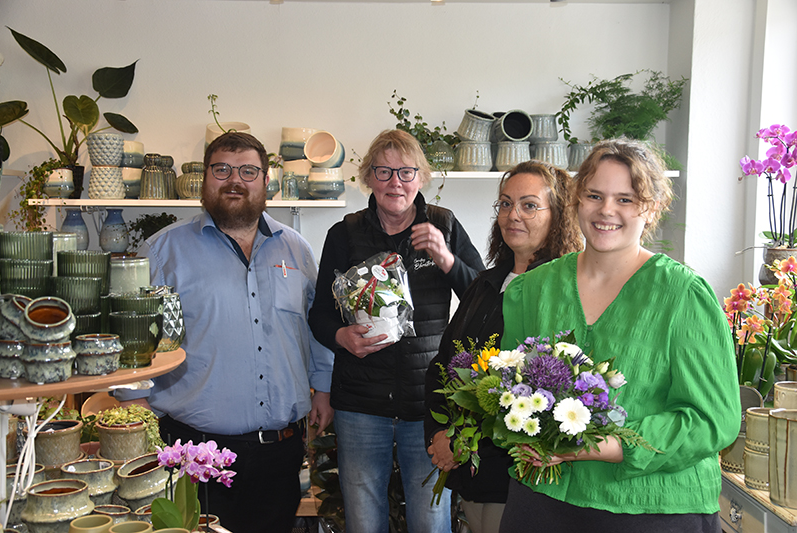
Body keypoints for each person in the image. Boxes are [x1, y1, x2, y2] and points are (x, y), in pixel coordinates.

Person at [498, 139, 741, 533]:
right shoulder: (534, 289)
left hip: (653, 509)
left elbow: (712, 421)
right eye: (594, 195)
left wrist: (595, 447)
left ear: (651, 207)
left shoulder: (683, 297)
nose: (606, 210)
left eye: (625, 199)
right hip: (543, 500)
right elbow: (511, 390)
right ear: (576, 200)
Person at [118, 132, 334, 533]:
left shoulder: (297, 250)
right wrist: (139, 413)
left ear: (265, 180)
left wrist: (323, 388)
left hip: (280, 453)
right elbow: (130, 337)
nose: (235, 180)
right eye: (222, 169)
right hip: (193, 454)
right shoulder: (163, 252)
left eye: (248, 170)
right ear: (205, 178)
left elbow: (316, 326)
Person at [308, 129, 485, 533]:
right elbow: (319, 313)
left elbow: (481, 299)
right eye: (384, 171)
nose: (395, 183)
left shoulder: (443, 224)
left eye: (406, 172)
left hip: (426, 404)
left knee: (429, 516)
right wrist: (341, 338)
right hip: (359, 403)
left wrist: (445, 256)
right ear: (368, 178)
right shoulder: (344, 233)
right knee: (363, 517)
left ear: (421, 177)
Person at [424, 160, 582, 533]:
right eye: (506, 204)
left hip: (517, 478)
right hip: (468, 474)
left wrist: (461, 438)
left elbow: (538, 388)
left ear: (558, 215)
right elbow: (444, 363)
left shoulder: (563, 291)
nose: (514, 215)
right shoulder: (485, 283)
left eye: (529, 205)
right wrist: (439, 432)